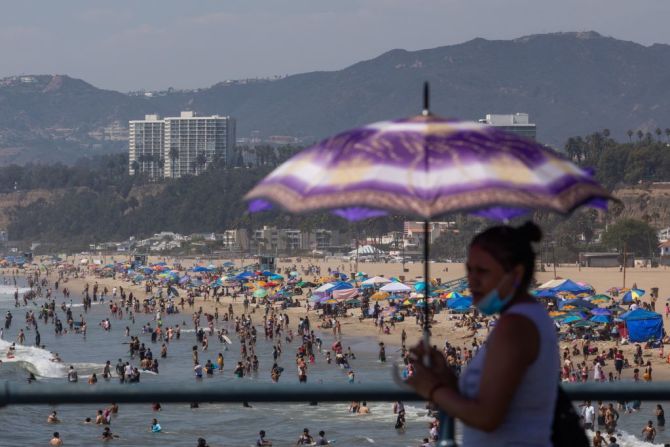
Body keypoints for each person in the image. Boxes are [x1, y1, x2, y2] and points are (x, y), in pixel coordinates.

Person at [406, 222, 559, 445]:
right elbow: (499, 397)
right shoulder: (526, 317)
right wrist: (447, 377)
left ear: (515, 274)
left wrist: (434, 389)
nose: (472, 280)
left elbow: (488, 417)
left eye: (482, 271)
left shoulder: (515, 327)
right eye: (469, 270)